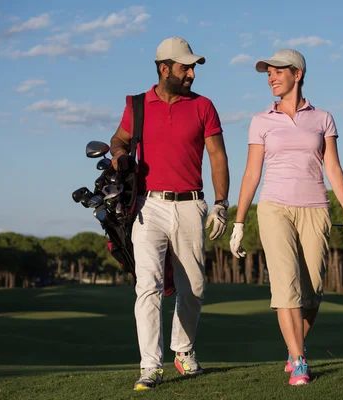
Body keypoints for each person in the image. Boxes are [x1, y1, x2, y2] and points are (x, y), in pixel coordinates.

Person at [229, 49, 343, 386]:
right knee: (285, 288)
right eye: (268, 73)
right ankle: (300, 361)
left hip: (316, 207)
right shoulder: (261, 121)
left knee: (312, 290)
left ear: (297, 74)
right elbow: (250, 174)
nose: (271, 78)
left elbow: (332, 166)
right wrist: (239, 222)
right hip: (274, 207)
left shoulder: (323, 118)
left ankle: (293, 347)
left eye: (277, 72)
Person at [109, 37, 230, 391]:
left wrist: (221, 203)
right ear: (164, 68)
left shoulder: (204, 106)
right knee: (148, 286)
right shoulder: (137, 105)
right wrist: (119, 154)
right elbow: (119, 140)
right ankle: (150, 366)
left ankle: (183, 350)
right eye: (185, 67)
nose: (192, 73)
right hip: (149, 206)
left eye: (193, 67)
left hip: (192, 204)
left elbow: (218, 156)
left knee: (193, 287)